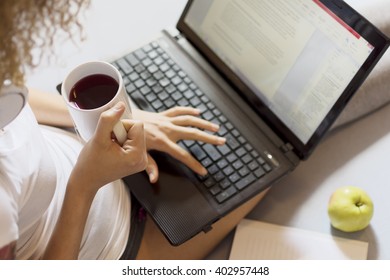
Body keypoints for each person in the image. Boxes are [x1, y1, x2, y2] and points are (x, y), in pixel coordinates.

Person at [0, 0, 267, 260]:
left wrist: (116, 119)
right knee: (264, 158)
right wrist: (84, 183)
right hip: (117, 243)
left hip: (83, 150)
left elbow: (10, 95)